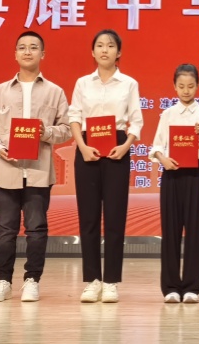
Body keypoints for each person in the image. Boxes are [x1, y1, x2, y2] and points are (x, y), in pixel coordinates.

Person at [0, 31, 71, 302]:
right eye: (22, 47)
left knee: (36, 229)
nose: (27, 51)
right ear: (15, 54)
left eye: (33, 47)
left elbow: (67, 129)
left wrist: (46, 132)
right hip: (5, 170)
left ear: (43, 54)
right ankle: (2, 281)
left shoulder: (55, 92)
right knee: (5, 229)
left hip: (39, 171)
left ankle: (32, 280)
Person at [68, 29, 143, 303]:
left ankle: (111, 281)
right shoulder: (82, 83)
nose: (104, 50)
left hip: (117, 149)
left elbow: (136, 120)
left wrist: (125, 146)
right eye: (99, 45)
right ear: (92, 52)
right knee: (88, 218)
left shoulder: (129, 84)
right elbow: (74, 116)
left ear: (118, 52)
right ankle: (92, 280)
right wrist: (82, 146)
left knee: (114, 217)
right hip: (87, 147)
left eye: (110, 46)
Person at [148, 64, 199, 303]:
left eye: (190, 86)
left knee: (194, 231)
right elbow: (157, 146)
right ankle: (170, 287)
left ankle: (191, 287)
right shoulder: (168, 114)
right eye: (181, 86)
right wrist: (163, 159)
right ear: (174, 87)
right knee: (170, 231)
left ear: (197, 86)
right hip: (171, 174)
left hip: (195, 174)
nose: (186, 91)